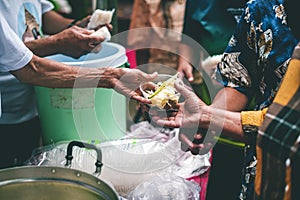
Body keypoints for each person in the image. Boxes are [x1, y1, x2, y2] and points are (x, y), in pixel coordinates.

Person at [152, 0, 299, 199]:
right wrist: (205, 117)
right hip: (260, 170)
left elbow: (287, 126)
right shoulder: (260, 9)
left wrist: (210, 117)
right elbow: (239, 82)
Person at [0, 5, 157, 168]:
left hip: (33, 102)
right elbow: (26, 66)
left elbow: (35, 12)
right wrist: (109, 77)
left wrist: (77, 27)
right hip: (8, 108)